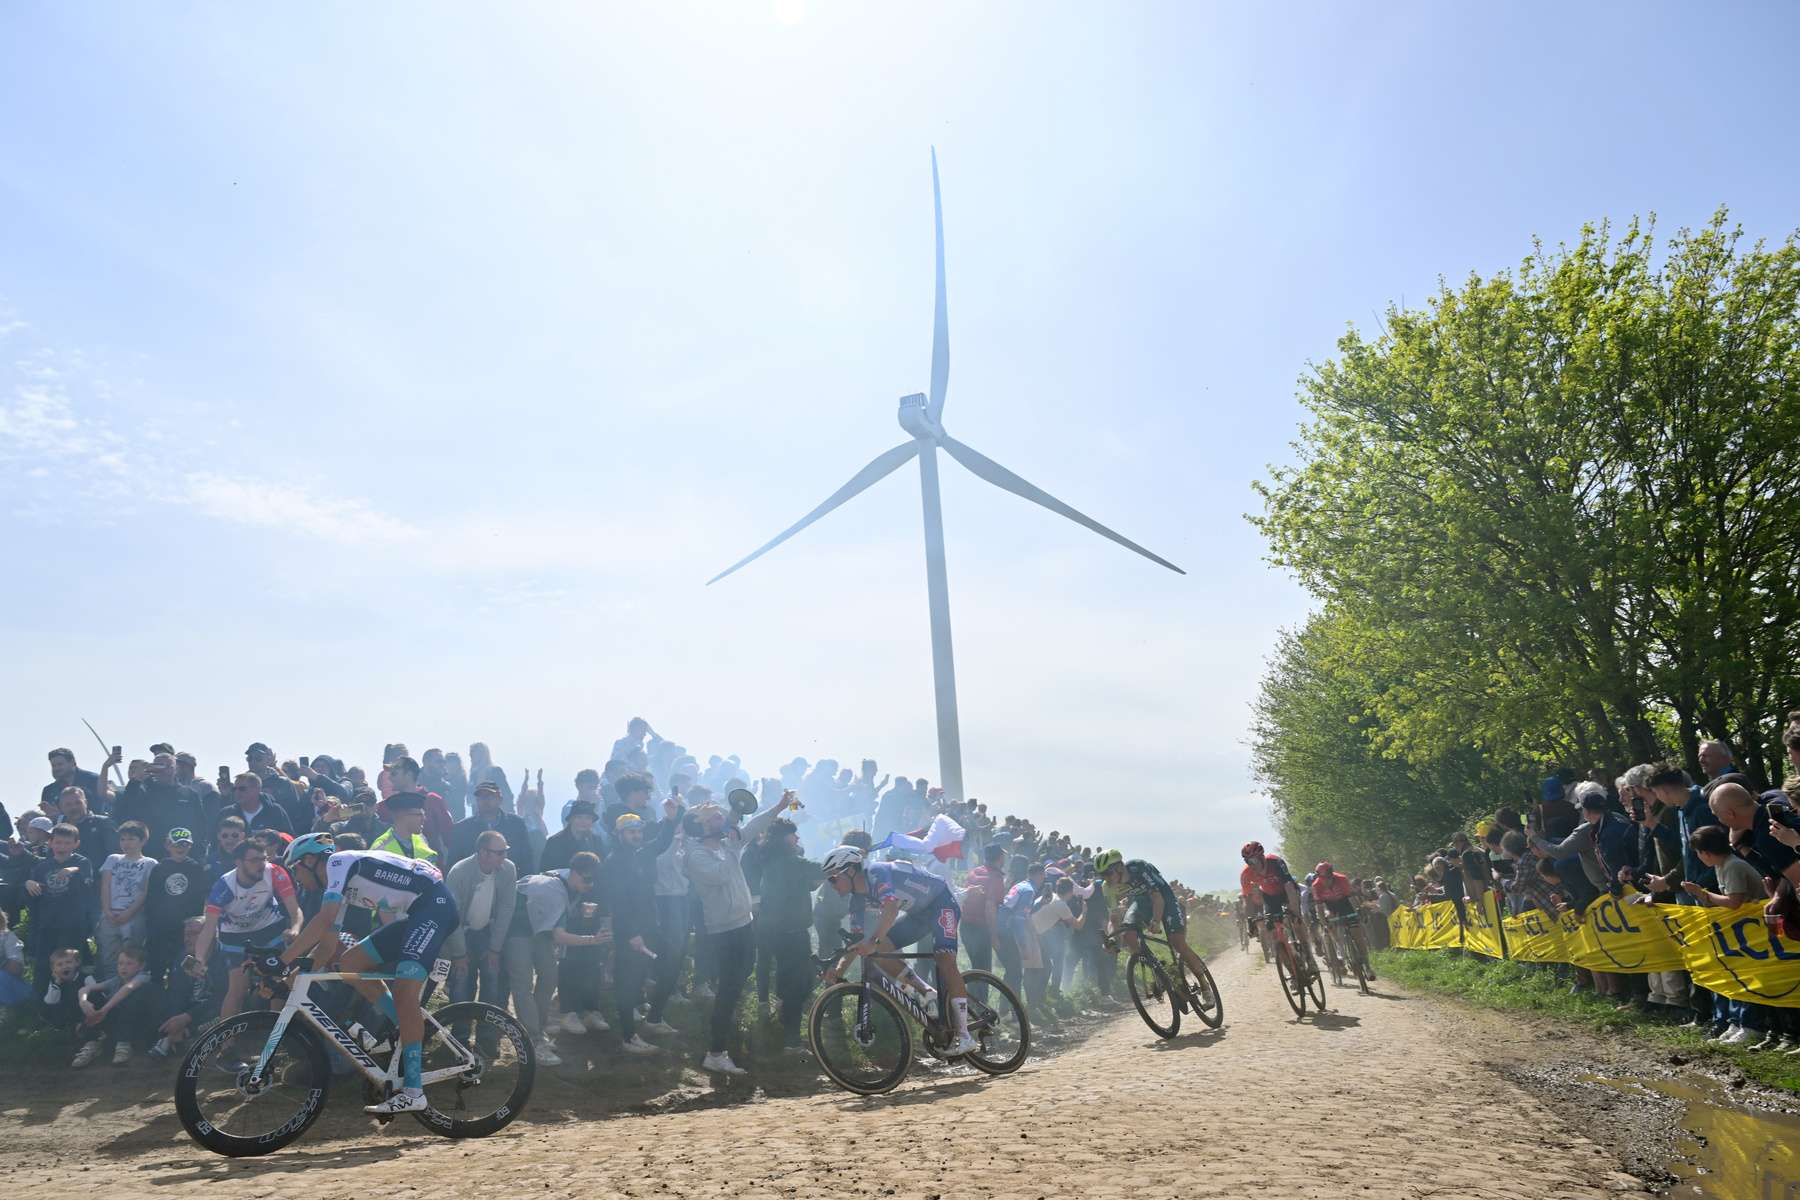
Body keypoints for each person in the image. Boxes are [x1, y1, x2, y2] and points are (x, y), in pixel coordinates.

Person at [275, 835, 462, 1113]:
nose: (295, 878)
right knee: (351, 963)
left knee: (403, 992)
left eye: (295, 869)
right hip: (419, 912)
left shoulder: (339, 862)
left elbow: (324, 920)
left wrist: (282, 960)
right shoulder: (337, 885)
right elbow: (326, 947)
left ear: (311, 860)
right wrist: (292, 974)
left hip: (435, 906)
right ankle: (405, 1027)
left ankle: (413, 1092)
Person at [820, 843, 979, 1058]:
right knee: (880, 952)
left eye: (832, 877)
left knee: (945, 961)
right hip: (919, 915)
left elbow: (891, 908)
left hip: (941, 902)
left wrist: (873, 940)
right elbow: (855, 942)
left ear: (850, 870)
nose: (831, 884)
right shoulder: (855, 900)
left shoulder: (876, 872)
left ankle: (964, 1035)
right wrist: (839, 970)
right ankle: (926, 991)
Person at [685, 795, 799, 1074]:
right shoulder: (696, 855)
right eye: (714, 817)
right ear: (701, 827)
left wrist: (779, 806)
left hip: (743, 922)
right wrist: (736, 846)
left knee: (735, 985)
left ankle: (724, 1035)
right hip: (724, 930)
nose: (721, 819)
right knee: (728, 990)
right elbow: (723, 875)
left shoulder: (725, 841)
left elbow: (755, 823)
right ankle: (716, 1052)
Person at [502, 851, 609, 1066]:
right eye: (586, 879)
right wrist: (592, 940)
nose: (590, 884)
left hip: (537, 930)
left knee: (550, 976)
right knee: (523, 984)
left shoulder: (568, 880)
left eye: (594, 879)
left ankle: (538, 1031)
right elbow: (559, 936)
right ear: (575, 873)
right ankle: (532, 1041)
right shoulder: (555, 890)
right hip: (516, 929)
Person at [191, 837, 302, 1022]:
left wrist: (295, 929)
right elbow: (208, 928)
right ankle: (226, 1046)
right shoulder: (224, 886)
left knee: (279, 980)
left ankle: (276, 1038)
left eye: (264, 858)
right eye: (254, 860)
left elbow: (295, 909)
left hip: (270, 928)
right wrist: (200, 957)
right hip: (236, 936)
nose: (261, 864)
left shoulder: (274, 872)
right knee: (238, 989)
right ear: (239, 863)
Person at [605, 804, 684, 1053]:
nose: (637, 835)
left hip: (649, 928)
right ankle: (629, 1038)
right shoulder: (615, 860)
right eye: (631, 832)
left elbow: (660, 844)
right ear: (619, 834)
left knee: (672, 963)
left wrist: (672, 820)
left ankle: (653, 1019)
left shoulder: (637, 854)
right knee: (627, 984)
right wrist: (632, 934)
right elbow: (617, 901)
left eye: (639, 831)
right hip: (630, 934)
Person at [1094, 849, 1215, 987]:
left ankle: (1204, 985)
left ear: (1120, 867)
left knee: (1177, 942)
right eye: (1101, 875)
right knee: (1128, 935)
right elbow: (1114, 918)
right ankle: (1161, 971)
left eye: (1108, 873)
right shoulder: (1107, 887)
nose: (1105, 878)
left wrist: (1156, 921)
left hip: (1163, 897)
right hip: (1142, 902)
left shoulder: (1138, 867)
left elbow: (1157, 899)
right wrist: (1112, 939)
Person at [755, 816, 823, 1051]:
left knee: (804, 982)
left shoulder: (777, 861)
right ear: (784, 838)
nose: (797, 837)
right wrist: (848, 858)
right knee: (801, 985)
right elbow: (822, 869)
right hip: (790, 935)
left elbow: (807, 884)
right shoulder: (790, 861)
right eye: (793, 834)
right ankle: (792, 1042)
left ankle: (785, 1016)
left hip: (780, 933)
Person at [443, 829, 517, 1014]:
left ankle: (486, 1033)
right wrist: (459, 953)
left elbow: (506, 911)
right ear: (483, 853)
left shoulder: (508, 869)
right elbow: (451, 918)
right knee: (460, 979)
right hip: (460, 930)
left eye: (505, 850)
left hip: (486, 930)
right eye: (500, 852)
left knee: (491, 976)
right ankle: (459, 1035)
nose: (505, 855)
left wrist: (495, 948)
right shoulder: (459, 872)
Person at [71, 940, 163, 1066]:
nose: (124, 967)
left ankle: (125, 1045)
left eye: (129, 963)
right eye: (120, 963)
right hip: (117, 1026)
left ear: (141, 966)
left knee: (129, 995)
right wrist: (83, 1002)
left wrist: (105, 1009)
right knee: (92, 995)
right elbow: (85, 989)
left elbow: (128, 988)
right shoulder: (116, 980)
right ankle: (91, 1044)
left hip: (138, 1027)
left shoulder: (143, 977)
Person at [26, 823, 96, 982]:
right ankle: (43, 1001)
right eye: (58, 842)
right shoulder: (43, 866)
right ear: (50, 843)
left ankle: (73, 1000)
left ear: (76, 844)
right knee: (44, 965)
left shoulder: (82, 863)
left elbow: (88, 889)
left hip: (73, 925)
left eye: (67, 843)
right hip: (48, 924)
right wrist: (28, 884)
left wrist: (74, 871)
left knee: (70, 965)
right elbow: (34, 897)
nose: (62, 846)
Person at [113, 753, 206, 857]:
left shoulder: (189, 793)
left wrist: (198, 849)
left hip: (182, 853)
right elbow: (128, 803)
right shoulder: (143, 791)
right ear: (153, 768)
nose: (164, 770)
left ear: (176, 769)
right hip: (150, 853)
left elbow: (201, 824)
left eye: (168, 766)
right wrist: (136, 779)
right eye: (159, 766)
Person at [144, 828, 207, 980]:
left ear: (190, 846)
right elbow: (151, 899)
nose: (181, 848)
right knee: (157, 965)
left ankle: (182, 995)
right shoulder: (159, 868)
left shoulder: (196, 868)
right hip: (160, 926)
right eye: (176, 844)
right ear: (168, 846)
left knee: (182, 965)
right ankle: (157, 992)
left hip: (185, 927)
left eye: (185, 844)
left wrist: (195, 926)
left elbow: (199, 899)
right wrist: (151, 927)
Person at [97, 821, 157, 980]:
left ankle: (129, 995)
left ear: (142, 840)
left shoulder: (150, 863)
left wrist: (129, 913)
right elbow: (105, 886)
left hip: (134, 916)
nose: (125, 843)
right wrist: (107, 911)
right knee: (109, 960)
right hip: (110, 915)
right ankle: (110, 995)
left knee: (131, 960)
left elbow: (147, 891)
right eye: (122, 839)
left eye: (131, 839)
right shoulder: (113, 859)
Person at [1238, 841, 1306, 969]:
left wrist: (1297, 914)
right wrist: (1250, 923)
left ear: (1262, 857)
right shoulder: (1246, 874)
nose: (1252, 865)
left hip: (1286, 891)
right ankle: (1292, 973)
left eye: (1254, 860)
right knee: (1275, 937)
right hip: (1270, 897)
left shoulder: (1276, 863)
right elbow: (1247, 901)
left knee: (1296, 920)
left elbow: (1290, 889)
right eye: (1248, 861)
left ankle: (1308, 956)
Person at [449, 780, 534, 873]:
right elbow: (453, 865)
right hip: (472, 884)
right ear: (476, 801)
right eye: (480, 797)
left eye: (490, 796)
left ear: (500, 799)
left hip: (511, 882)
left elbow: (527, 860)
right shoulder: (462, 828)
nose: (485, 800)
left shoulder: (516, 823)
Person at [375, 757, 454, 858]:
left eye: (394, 774)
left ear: (408, 775)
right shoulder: (384, 806)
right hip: (396, 870)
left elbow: (451, 838)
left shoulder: (433, 800)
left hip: (431, 869)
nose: (390, 778)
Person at [1309, 861, 1374, 980]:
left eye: (1328, 877)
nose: (1326, 881)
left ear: (1332, 874)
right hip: (1329, 905)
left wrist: (1359, 911)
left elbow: (1352, 898)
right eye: (1322, 878)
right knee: (1329, 917)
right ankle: (1339, 945)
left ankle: (1368, 966)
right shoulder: (1316, 885)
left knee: (1356, 933)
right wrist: (1324, 923)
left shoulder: (1342, 879)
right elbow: (1319, 906)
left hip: (1345, 902)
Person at [371, 791, 439, 865]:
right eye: (420, 815)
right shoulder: (379, 849)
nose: (424, 818)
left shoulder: (421, 838)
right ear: (405, 819)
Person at [218, 772, 295, 837]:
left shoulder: (275, 811)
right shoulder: (227, 813)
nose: (237, 792)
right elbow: (215, 844)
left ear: (257, 789)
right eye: (234, 789)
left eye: (242, 788)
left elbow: (288, 839)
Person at [541, 799, 606, 872]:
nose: (583, 821)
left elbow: (601, 867)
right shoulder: (555, 842)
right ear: (571, 819)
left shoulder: (596, 840)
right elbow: (546, 870)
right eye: (579, 817)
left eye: (588, 817)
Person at [44, 749, 106, 816]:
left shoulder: (93, 780)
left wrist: (61, 816)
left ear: (72, 761)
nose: (56, 768)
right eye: (53, 765)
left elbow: (98, 808)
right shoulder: (49, 790)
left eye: (60, 764)